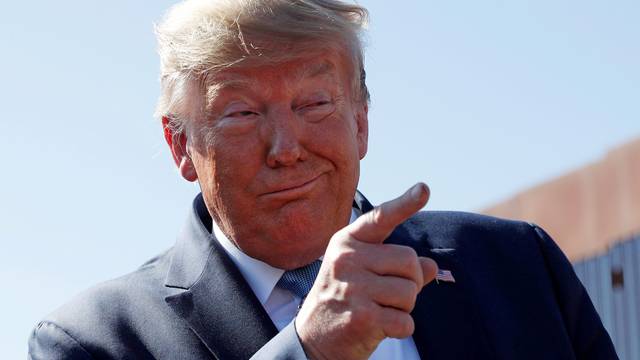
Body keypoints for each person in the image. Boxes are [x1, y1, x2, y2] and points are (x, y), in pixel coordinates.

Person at [29, 0, 617, 359]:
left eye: (315, 103)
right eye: (242, 113)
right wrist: (308, 352)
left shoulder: (518, 267)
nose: (287, 149)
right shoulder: (91, 342)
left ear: (361, 120)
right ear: (181, 145)